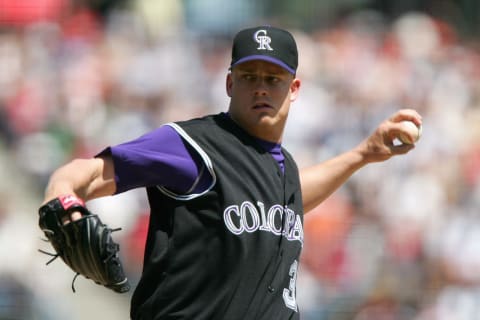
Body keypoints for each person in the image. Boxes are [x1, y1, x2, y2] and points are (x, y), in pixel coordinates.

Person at [40, 26, 422, 320]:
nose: (260, 88)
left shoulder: (283, 169)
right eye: (249, 76)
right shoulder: (191, 145)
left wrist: (362, 154)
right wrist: (66, 202)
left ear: (294, 89)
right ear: (229, 83)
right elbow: (82, 173)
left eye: (272, 79)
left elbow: (291, 195)